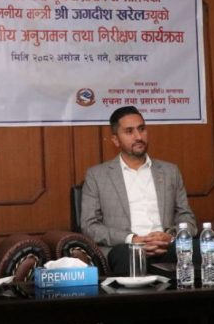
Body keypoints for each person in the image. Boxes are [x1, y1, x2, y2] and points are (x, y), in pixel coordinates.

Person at [81, 105, 197, 275]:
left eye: (141, 129)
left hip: (166, 246)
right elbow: (89, 226)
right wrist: (133, 239)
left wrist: (170, 236)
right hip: (125, 248)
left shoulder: (170, 172)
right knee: (128, 256)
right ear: (115, 140)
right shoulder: (97, 176)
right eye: (129, 131)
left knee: (200, 250)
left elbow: (187, 218)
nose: (138, 137)